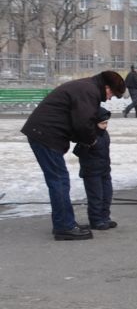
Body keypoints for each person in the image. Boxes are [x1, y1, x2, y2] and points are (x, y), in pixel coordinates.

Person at [22, 70, 127, 240]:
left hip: (43, 133)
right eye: (111, 94)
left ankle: (64, 223)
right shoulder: (89, 91)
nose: (108, 98)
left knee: (59, 180)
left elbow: (77, 121)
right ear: (107, 87)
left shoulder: (86, 87)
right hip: (45, 134)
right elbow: (83, 124)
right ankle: (65, 226)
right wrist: (91, 141)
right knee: (59, 180)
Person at [73, 107, 117, 231]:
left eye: (106, 123)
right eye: (103, 123)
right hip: (91, 172)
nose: (105, 125)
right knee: (96, 197)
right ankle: (96, 220)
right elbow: (77, 151)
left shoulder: (104, 134)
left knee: (107, 195)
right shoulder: (88, 135)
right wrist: (87, 145)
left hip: (104, 170)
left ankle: (105, 217)